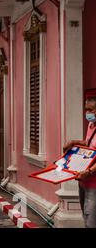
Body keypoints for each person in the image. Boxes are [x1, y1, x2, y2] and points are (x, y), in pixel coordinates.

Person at [63, 97, 96, 228]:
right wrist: (74, 142)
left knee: (91, 219)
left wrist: (89, 171)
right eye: (86, 109)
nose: (87, 113)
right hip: (83, 181)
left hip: (93, 183)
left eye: (91, 110)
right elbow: (89, 144)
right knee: (85, 214)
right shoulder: (91, 125)